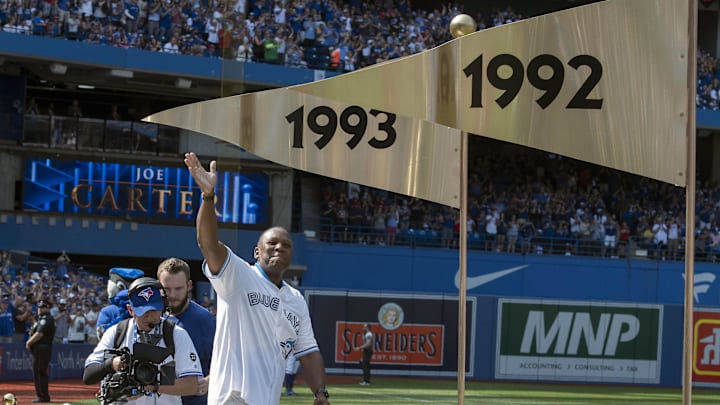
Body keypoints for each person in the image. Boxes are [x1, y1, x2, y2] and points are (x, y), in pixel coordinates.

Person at [183, 152, 331, 405]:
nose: (279, 248)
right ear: (257, 252)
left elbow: (309, 352)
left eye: (286, 245)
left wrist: (321, 394)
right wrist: (208, 197)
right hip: (232, 399)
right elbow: (207, 243)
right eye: (271, 243)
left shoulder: (296, 300)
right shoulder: (239, 276)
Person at [83, 277, 203, 404]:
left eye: (155, 310)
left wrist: (152, 387)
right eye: (143, 311)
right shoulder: (116, 333)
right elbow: (88, 376)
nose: (150, 317)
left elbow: (192, 385)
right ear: (131, 310)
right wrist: (112, 364)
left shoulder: (176, 334)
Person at [157, 258, 215, 405]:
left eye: (178, 288)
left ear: (189, 286)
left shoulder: (206, 321)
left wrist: (211, 380)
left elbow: (226, 361)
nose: (173, 295)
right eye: (167, 289)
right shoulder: (149, 316)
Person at [26, 299, 55, 403]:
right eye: (39, 307)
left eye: (42, 307)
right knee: (40, 372)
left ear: (47, 308)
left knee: (38, 372)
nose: (39, 309)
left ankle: (42, 396)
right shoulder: (40, 319)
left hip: (41, 348)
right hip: (40, 348)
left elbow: (40, 334)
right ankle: (43, 395)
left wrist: (29, 342)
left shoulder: (46, 319)